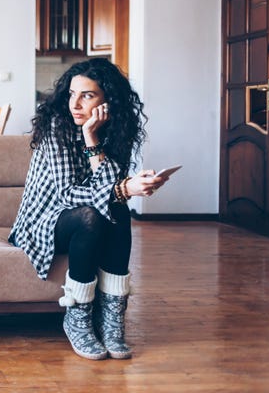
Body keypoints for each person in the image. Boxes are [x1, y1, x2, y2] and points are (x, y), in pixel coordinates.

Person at [9, 57, 169, 361]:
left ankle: (111, 321)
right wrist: (123, 186)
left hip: (85, 214)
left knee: (118, 209)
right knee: (93, 212)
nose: (75, 104)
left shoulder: (114, 129)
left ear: (108, 99)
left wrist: (94, 140)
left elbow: (106, 188)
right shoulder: (57, 128)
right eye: (72, 94)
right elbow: (69, 194)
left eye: (87, 95)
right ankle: (78, 318)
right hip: (44, 221)